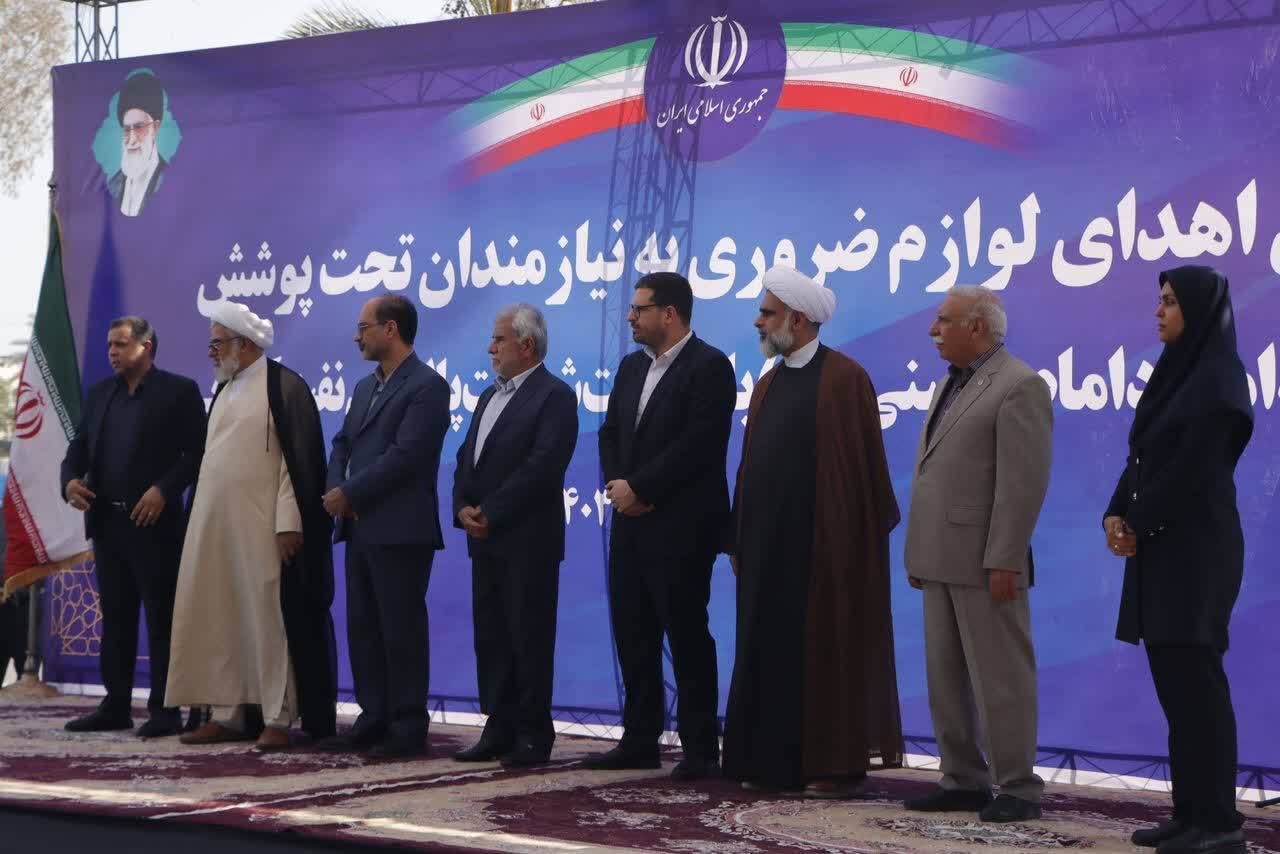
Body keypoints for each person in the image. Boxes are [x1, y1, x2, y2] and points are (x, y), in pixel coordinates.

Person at [723, 266, 903, 797]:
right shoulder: (767, 383)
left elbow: (864, 474)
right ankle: (769, 763)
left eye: (767, 313)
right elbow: (749, 468)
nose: (758, 322)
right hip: (765, 550)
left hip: (824, 549)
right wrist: (738, 537)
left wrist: (847, 543)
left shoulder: (845, 379)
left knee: (824, 652)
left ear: (797, 320)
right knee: (767, 648)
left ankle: (831, 766)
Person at [1104, 266, 1252, 854]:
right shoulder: (1175, 374)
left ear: (1198, 309)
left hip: (1198, 554)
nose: (1158, 311)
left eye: (1169, 301)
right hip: (1163, 549)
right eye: (1159, 300)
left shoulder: (1219, 381)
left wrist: (1137, 522)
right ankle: (1190, 814)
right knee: (1175, 689)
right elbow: (1142, 458)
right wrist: (1116, 514)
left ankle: (1219, 823)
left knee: (1198, 687)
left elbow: (1195, 469)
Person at [903, 286, 1053, 823]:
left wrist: (1005, 559)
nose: (933, 330)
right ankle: (963, 779)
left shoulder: (1019, 385)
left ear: (978, 327)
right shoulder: (952, 382)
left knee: (1000, 679)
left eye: (944, 320)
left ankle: (1018, 787)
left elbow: (1022, 484)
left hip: (986, 562)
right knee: (945, 680)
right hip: (939, 556)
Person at [585, 272, 736, 781]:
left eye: (640, 308)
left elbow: (699, 446)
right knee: (633, 633)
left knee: (687, 636)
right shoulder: (632, 366)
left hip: (681, 527)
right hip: (629, 523)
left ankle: (700, 750)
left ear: (668, 314)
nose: (630, 317)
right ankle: (639, 741)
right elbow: (609, 433)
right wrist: (619, 486)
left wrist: (642, 489)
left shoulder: (710, 366)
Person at [170, 302, 338, 750]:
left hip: (265, 531)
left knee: (269, 622)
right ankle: (226, 715)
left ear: (243, 344)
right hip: (216, 531)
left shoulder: (284, 386)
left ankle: (276, 717)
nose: (210, 351)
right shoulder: (223, 390)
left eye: (217, 343)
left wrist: (289, 522)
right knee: (221, 617)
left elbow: (296, 464)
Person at [60, 317, 205, 738]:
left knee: (162, 619)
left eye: (121, 344)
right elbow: (77, 449)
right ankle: (116, 706)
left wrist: (163, 490)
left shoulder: (179, 391)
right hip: (108, 523)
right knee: (117, 620)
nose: (112, 352)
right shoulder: (100, 394)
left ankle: (166, 709)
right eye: (110, 345)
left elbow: (197, 453)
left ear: (147, 346)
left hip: (154, 525)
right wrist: (69, 481)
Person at [320, 295, 450, 759]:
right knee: (364, 627)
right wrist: (337, 490)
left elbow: (407, 456)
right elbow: (341, 444)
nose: (357, 337)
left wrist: (351, 494)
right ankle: (373, 716)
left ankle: (406, 725)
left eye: (364, 328)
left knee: (400, 629)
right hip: (359, 527)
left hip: (400, 528)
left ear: (390, 329)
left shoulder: (428, 387)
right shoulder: (362, 387)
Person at [452, 304, 578, 767]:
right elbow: (466, 458)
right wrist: (462, 506)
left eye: (499, 339)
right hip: (484, 539)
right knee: (492, 637)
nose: (490, 348)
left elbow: (543, 466)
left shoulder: (555, 396)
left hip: (527, 542)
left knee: (529, 639)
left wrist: (492, 512)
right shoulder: (488, 396)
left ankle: (532, 733)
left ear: (526, 346)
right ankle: (498, 727)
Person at [107, 72, 169, 217]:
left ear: (155, 127)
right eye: (127, 129)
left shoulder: (170, 181)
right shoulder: (113, 186)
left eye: (139, 127)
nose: (132, 140)